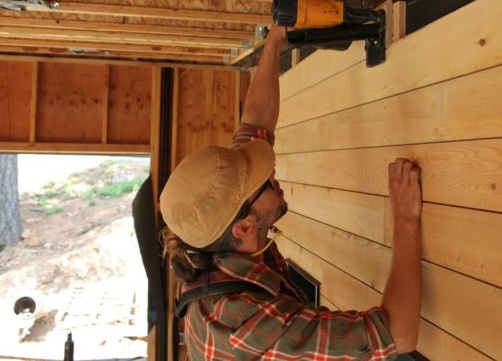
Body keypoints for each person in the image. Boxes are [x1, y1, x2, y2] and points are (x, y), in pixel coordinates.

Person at [160, 25, 423, 360]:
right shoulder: (247, 324)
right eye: (265, 182)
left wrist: (274, 41)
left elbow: (256, 124)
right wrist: (405, 220)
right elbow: (399, 335)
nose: (271, 173)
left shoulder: (221, 232)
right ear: (244, 227)